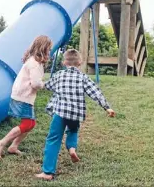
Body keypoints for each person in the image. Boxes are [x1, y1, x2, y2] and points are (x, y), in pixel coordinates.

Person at [36, 49, 115, 180]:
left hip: (60, 112)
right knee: (73, 131)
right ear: (80, 63)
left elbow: (48, 86)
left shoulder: (59, 75)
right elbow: (95, 92)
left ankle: (47, 172)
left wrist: (38, 84)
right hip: (75, 114)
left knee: (53, 139)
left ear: (63, 62)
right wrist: (107, 107)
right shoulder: (83, 77)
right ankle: (72, 149)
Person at [0, 35, 53, 161]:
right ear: (43, 49)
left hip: (23, 94)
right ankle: (2, 142)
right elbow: (36, 84)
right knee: (27, 123)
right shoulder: (34, 64)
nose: (49, 51)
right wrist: (46, 84)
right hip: (23, 96)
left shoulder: (33, 61)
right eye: (48, 49)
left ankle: (13, 146)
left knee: (31, 124)